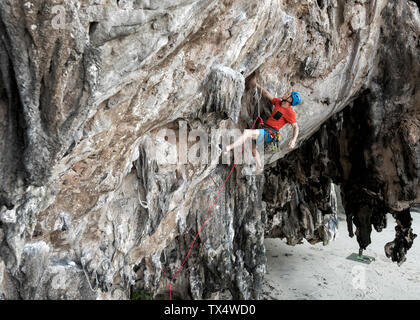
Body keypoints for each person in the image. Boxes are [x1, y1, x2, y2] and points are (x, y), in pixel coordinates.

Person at [222, 77, 301, 174]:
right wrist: (255, 84)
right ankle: (260, 167)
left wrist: (293, 140)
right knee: (253, 149)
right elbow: (266, 94)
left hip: (269, 133)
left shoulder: (290, 113)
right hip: (265, 129)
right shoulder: (278, 103)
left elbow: (295, 127)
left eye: (288, 94)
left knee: (247, 133)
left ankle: (228, 148)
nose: (286, 93)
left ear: (290, 100)